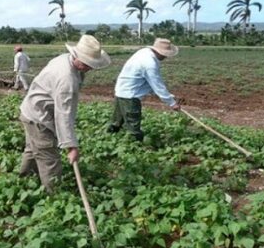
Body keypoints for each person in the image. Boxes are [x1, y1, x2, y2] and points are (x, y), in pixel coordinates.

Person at [19, 35, 111, 193]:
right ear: (77, 56)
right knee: (50, 159)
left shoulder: (64, 58)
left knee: (34, 149)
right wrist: (71, 146)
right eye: (87, 64)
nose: (90, 68)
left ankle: (23, 179)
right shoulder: (66, 79)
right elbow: (63, 115)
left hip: (31, 109)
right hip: (38, 116)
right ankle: (53, 197)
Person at [107, 38, 181, 141]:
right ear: (159, 52)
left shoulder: (144, 52)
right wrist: (172, 103)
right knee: (133, 126)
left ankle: (108, 138)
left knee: (117, 121)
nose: (166, 57)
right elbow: (157, 84)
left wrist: (169, 97)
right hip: (130, 96)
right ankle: (135, 147)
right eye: (165, 54)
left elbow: (147, 81)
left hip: (121, 90)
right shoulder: (150, 63)